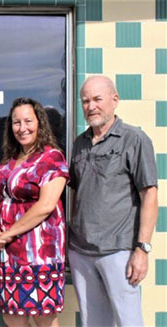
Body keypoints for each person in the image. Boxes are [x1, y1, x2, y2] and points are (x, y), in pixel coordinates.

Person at [69, 75, 158, 327]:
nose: (90, 106)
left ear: (115, 100)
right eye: (85, 101)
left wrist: (142, 249)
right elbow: (76, 193)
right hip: (80, 251)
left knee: (129, 321)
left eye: (97, 99)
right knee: (92, 322)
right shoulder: (79, 144)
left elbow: (149, 195)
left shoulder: (135, 139)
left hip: (119, 250)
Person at [0, 97, 69, 327]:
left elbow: (45, 206)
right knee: (12, 316)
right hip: (8, 254)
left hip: (39, 254)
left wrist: (9, 232)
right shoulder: (8, 161)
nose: (22, 128)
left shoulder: (51, 158)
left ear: (40, 123)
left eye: (28, 121)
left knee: (43, 316)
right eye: (16, 122)